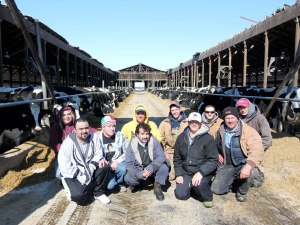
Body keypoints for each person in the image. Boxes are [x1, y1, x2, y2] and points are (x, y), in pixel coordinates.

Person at [211, 107, 264, 202]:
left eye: (232, 118)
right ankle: (236, 181)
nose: (230, 121)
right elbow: (210, 143)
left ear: (237, 118)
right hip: (228, 164)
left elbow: (257, 151)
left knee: (251, 172)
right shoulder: (219, 130)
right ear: (224, 119)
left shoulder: (249, 131)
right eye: (227, 118)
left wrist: (248, 166)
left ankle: (242, 191)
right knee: (216, 189)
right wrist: (216, 152)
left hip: (243, 163)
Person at [58, 118, 111, 205]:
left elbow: (98, 153)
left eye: (86, 128)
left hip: (90, 168)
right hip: (74, 174)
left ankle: (98, 193)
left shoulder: (95, 137)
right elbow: (65, 167)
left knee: (104, 165)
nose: (84, 131)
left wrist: (92, 166)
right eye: (81, 129)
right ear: (75, 130)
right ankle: (69, 186)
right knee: (80, 198)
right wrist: (81, 175)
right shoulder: (67, 144)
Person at [173, 112, 219, 208]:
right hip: (186, 171)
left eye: (197, 122)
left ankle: (207, 196)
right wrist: (178, 174)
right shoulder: (181, 138)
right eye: (192, 121)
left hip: (201, 171)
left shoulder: (208, 139)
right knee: (181, 195)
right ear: (188, 122)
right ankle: (191, 186)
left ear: (201, 123)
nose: (194, 124)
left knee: (199, 185)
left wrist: (201, 173)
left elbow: (213, 160)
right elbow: (177, 158)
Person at [49, 106, 97, 179]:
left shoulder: (77, 124)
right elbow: (53, 143)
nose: (67, 117)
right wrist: (64, 149)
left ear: (73, 115)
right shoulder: (56, 127)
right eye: (64, 115)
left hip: (79, 153)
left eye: (69, 114)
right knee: (59, 174)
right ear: (60, 116)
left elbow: (87, 129)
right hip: (64, 155)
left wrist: (97, 132)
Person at [124, 123, 168, 201]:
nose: (145, 136)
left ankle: (157, 187)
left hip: (152, 166)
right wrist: (139, 174)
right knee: (128, 178)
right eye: (142, 134)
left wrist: (151, 168)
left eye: (147, 133)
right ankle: (139, 182)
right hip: (139, 168)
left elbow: (161, 156)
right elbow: (129, 163)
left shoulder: (153, 140)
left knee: (164, 168)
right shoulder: (132, 144)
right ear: (137, 134)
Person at [236, 98, 272, 188]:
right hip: (240, 149)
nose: (242, 110)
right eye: (240, 108)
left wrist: (257, 150)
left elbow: (267, 139)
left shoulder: (260, 118)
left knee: (253, 175)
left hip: (253, 150)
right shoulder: (237, 118)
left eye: (244, 107)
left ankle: (257, 176)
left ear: (249, 106)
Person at [97, 115, 128, 192]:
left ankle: (120, 183)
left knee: (123, 169)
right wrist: (106, 163)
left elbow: (127, 152)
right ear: (103, 127)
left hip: (117, 163)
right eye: (109, 126)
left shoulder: (120, 135)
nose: (112, 128)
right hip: (106, 165)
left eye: (114, 125)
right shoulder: (97, 138)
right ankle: (112, 181)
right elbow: (96, 154)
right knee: (110, 186)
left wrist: (117, 161)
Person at [159, 101, 188, 181]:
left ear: (180, 109)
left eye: (176, 109)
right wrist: (164, 152)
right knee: (171, 177)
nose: (175, 112)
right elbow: (160, 138)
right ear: (170, 111)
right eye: (173, 110)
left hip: (184, 150)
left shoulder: (187, 122)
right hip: (170, 150)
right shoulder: (164, 123)